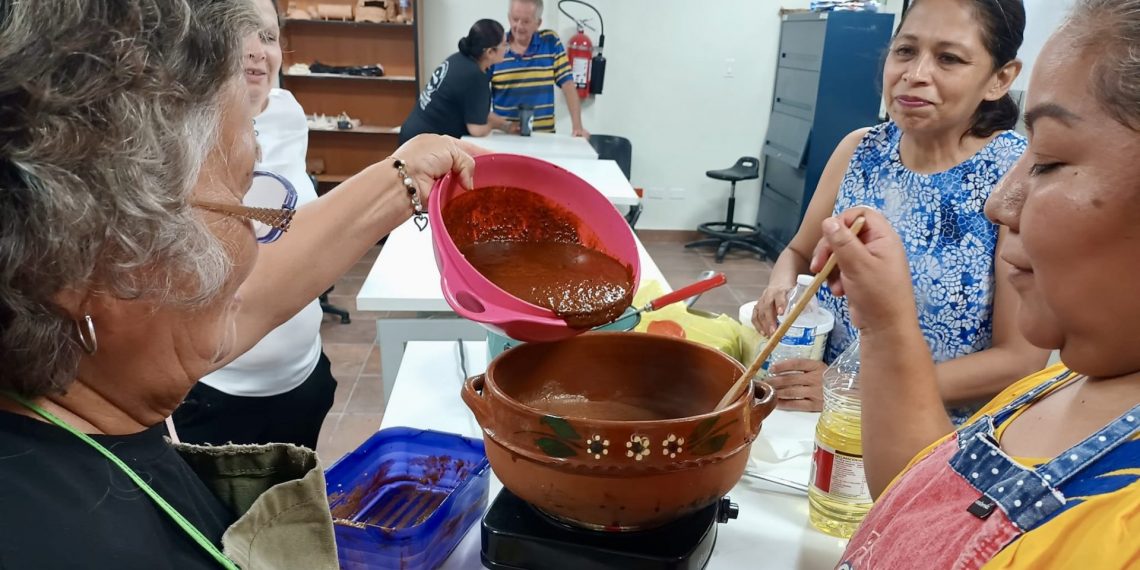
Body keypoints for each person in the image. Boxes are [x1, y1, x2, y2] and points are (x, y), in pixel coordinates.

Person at [0, 0, 480, 567]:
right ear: (88, 261)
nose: (255, 249)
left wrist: (405, 178)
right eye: (242, 198)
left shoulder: (91, 386)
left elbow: (246, 303)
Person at [816, 1, 1140, 565]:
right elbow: (928, 503)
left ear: (999, 78)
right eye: (905, 50)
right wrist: (886, 325)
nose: (1000, 203)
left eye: (1047, 162)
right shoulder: (1063, 384)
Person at [752, 0, 1047, 422]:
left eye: (949, 58)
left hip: (931, 431)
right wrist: (780, 286)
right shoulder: (859, 150)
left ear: (1000, 79)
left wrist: (857, 387)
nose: (915, 74)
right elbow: (799, 253)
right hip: (824, 410)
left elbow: (1019, 361)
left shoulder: (1014, 179)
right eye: (906, 50)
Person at [172, 0, 335, 450]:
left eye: (268, 36)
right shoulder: (177, 135)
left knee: (295, 494)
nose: (257, 50)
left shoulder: (288, 113)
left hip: (302, 378)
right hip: (220, 394)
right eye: (241, 33)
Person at [488, 0, 590, 137]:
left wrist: (577, 127)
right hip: (504, 137)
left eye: (526, 21)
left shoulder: (550, 42)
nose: (519, 26)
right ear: (508, 17)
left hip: (544, 138)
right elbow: (478, 96)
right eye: (515, 19)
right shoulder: (495, 48)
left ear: (538, 23)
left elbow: (568, 85)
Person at [399, 19, 509, 144]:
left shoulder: (458, 59)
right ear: (490, 52)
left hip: (412, 134)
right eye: (504, 44)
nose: (507, 48)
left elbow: (478, 112)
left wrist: (505, 125)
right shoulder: (475, 76)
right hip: (424, 143)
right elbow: (477, 130)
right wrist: (492, 126)